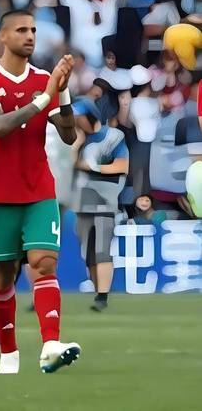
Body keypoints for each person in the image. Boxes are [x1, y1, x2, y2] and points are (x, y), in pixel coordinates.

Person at [0, 9, 80, 374]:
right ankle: (9, 353)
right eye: (21, 30)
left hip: (39, 189)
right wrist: (45, 98)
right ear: (2, 36)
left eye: (32, 30)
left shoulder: (44, 80)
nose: (30, 35)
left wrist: (63, 92)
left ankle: (51, 345)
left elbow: (69, 135)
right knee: (4, 273)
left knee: (43, 263)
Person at [72, 99, 128, 312]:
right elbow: (67, 164)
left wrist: (93, 167)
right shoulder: (74, 138)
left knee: (102, 249)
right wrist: (76, 145)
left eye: (78, 117)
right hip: (81, 201)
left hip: (105, 200)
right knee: (88, 253)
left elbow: (122, 166)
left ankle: (102, 296)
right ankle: (97, 292)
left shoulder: (113, 136)